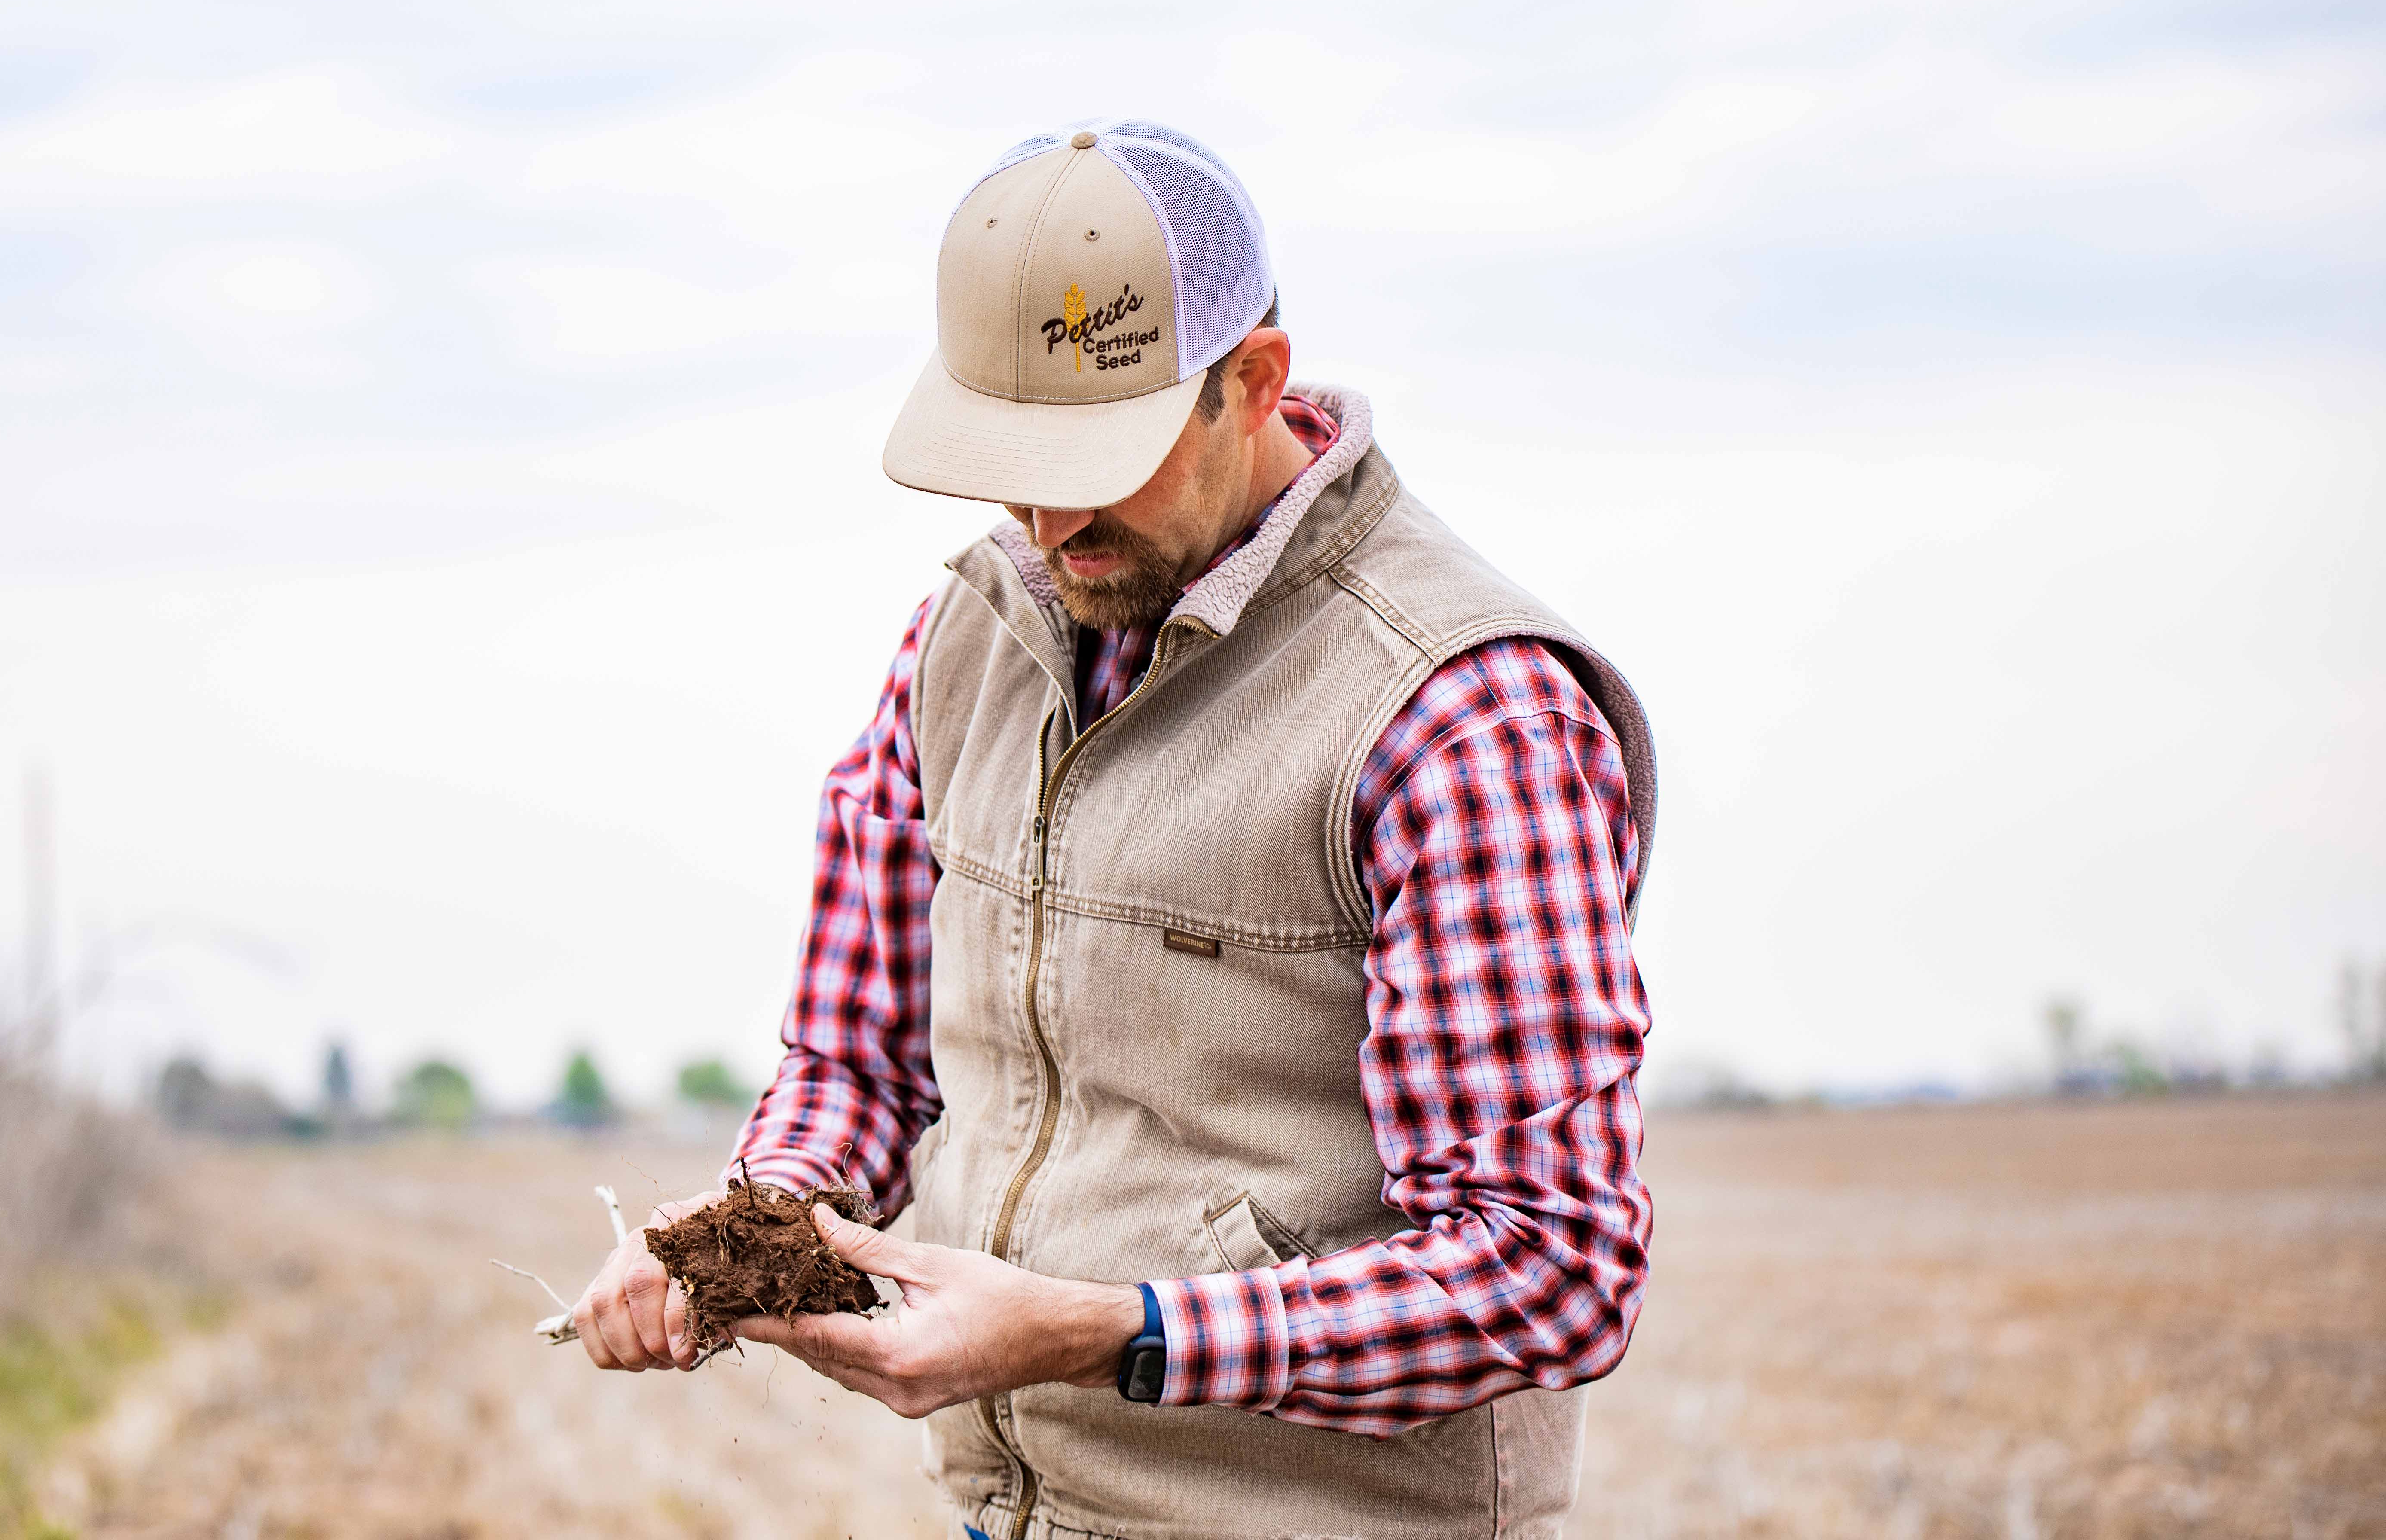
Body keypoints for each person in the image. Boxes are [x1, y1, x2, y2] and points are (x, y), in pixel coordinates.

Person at [576, 119, 1658, 1540]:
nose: (1054, 513)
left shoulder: (1464, 714)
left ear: (1253, 384)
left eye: (1105, 452)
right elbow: (859, 1055)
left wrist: (1105, 1331)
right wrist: (743, 1235)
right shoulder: (965, 642)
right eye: (1015, 457)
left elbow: (1552, 1271)